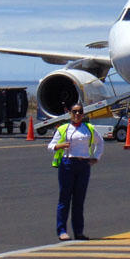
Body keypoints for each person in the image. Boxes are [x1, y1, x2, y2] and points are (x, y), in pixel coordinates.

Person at [48, 103, 104, 241]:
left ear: (83, 114)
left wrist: (96, 157)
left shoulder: (89, 129)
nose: (77, 114)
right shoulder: (63, 129)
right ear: (70, 114)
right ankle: (62, 230)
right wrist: (59, 146)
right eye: (74, 112)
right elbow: (50, 146)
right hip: (68, 164)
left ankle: (78, 231)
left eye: (79, 112)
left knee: (79, 200)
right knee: (64, 198)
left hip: (83, 164)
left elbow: (100, 142)